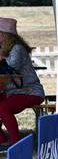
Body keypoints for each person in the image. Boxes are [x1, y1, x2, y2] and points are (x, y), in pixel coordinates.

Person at [0, 17, 45, 150]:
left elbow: (10, 68)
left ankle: (15, 143)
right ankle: (2, 141)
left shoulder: (17, 49)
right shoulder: (7, 50)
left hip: (30, 91)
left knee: (3, 108)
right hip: (14, 92)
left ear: (4, 35)